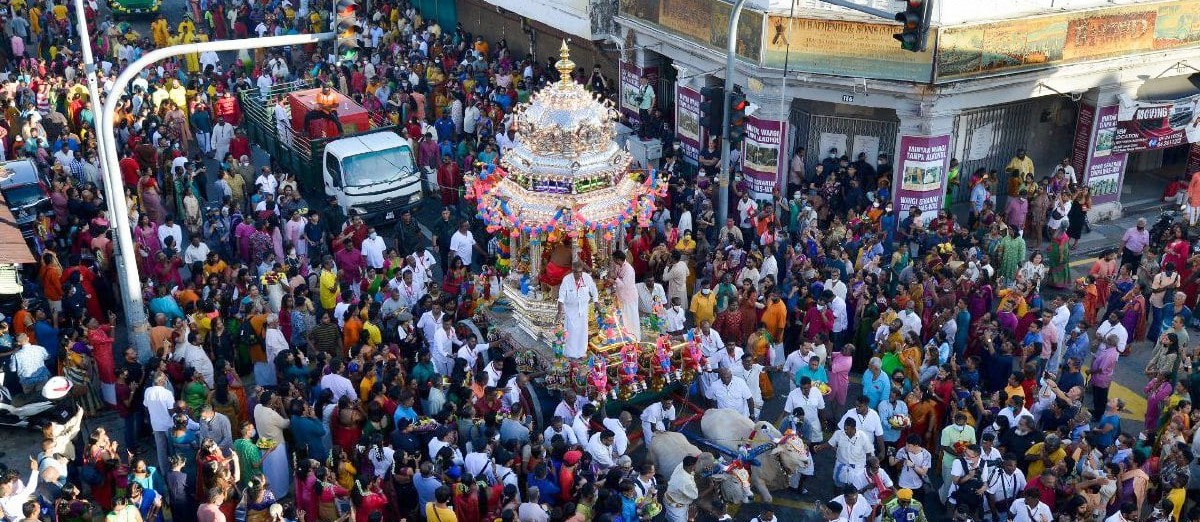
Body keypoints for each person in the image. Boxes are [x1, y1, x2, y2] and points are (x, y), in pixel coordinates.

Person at [557, 262, 599, 359]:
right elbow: (561, 297)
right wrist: (559, 312)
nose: (579, 274)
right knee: (571, 333)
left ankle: (581, 353)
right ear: (572, 271)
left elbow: (594, 290)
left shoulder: (587, 278)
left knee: (583, 332)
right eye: (576, 272)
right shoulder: (566, 280)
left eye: (580, 272)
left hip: (583, 310)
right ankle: (570, 354)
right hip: (571, 311)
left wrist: (596, 301)